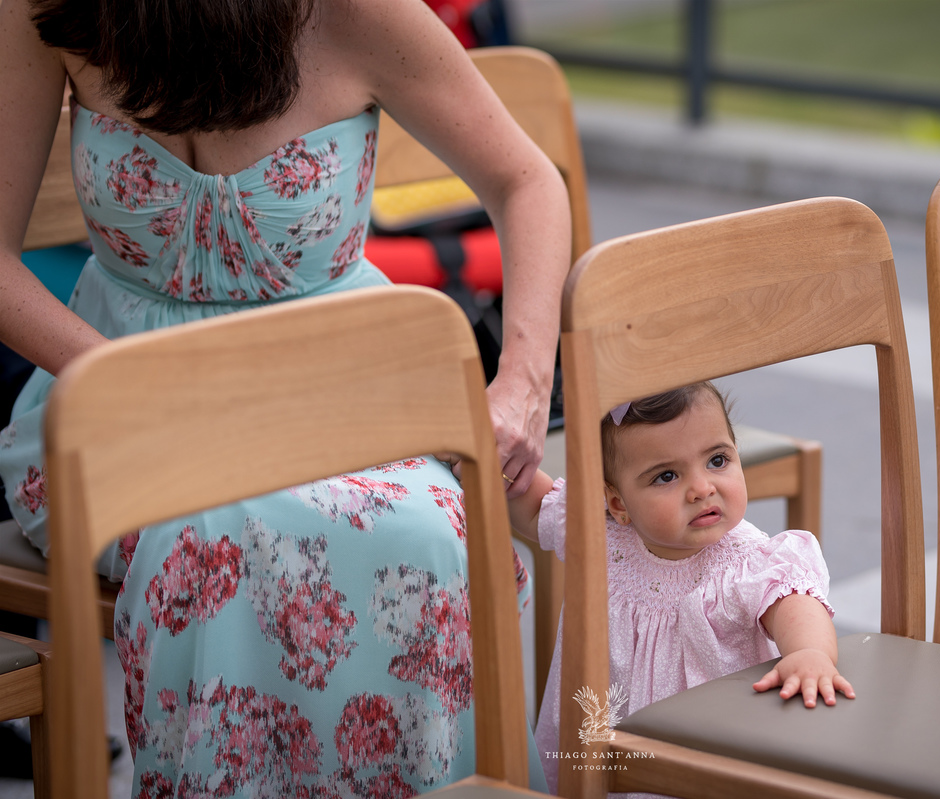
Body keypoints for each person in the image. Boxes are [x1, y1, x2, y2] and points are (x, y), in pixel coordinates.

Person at [0, 0, 571, 793]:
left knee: (437, 534)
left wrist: (522, 382)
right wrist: (123, 382)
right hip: (117, 393)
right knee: (210, 540)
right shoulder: (47, 8)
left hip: (339, 384)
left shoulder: (356, 9)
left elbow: (526, 180)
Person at [508, 382, 855, 792]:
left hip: (706, 747)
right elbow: (530, 503)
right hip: (603, 739)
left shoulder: (745, 560)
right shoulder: (598, 534)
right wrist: (485, 457)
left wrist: (810, 652)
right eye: (667, 476)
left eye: (718, 460)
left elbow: (795, 603)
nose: (702, 488)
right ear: (618, 504)